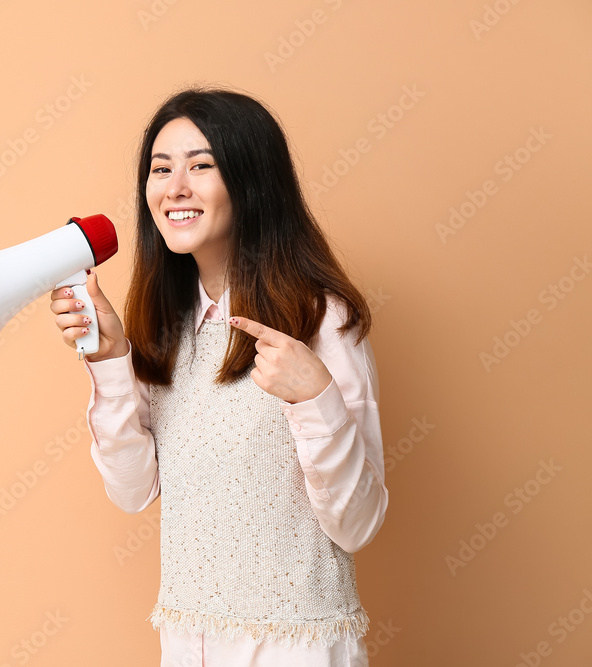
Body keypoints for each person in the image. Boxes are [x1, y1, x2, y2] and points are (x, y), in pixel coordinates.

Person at [49, 86, 388, 667]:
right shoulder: (168, 327)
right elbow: (133, 492)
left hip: (298, 651)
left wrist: (316, 398)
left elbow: (358, 523)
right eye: (161, 169)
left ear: (251, 183)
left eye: (201, 165)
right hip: (187, 648)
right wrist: (109, 361)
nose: (175, 187)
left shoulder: (321, 319)